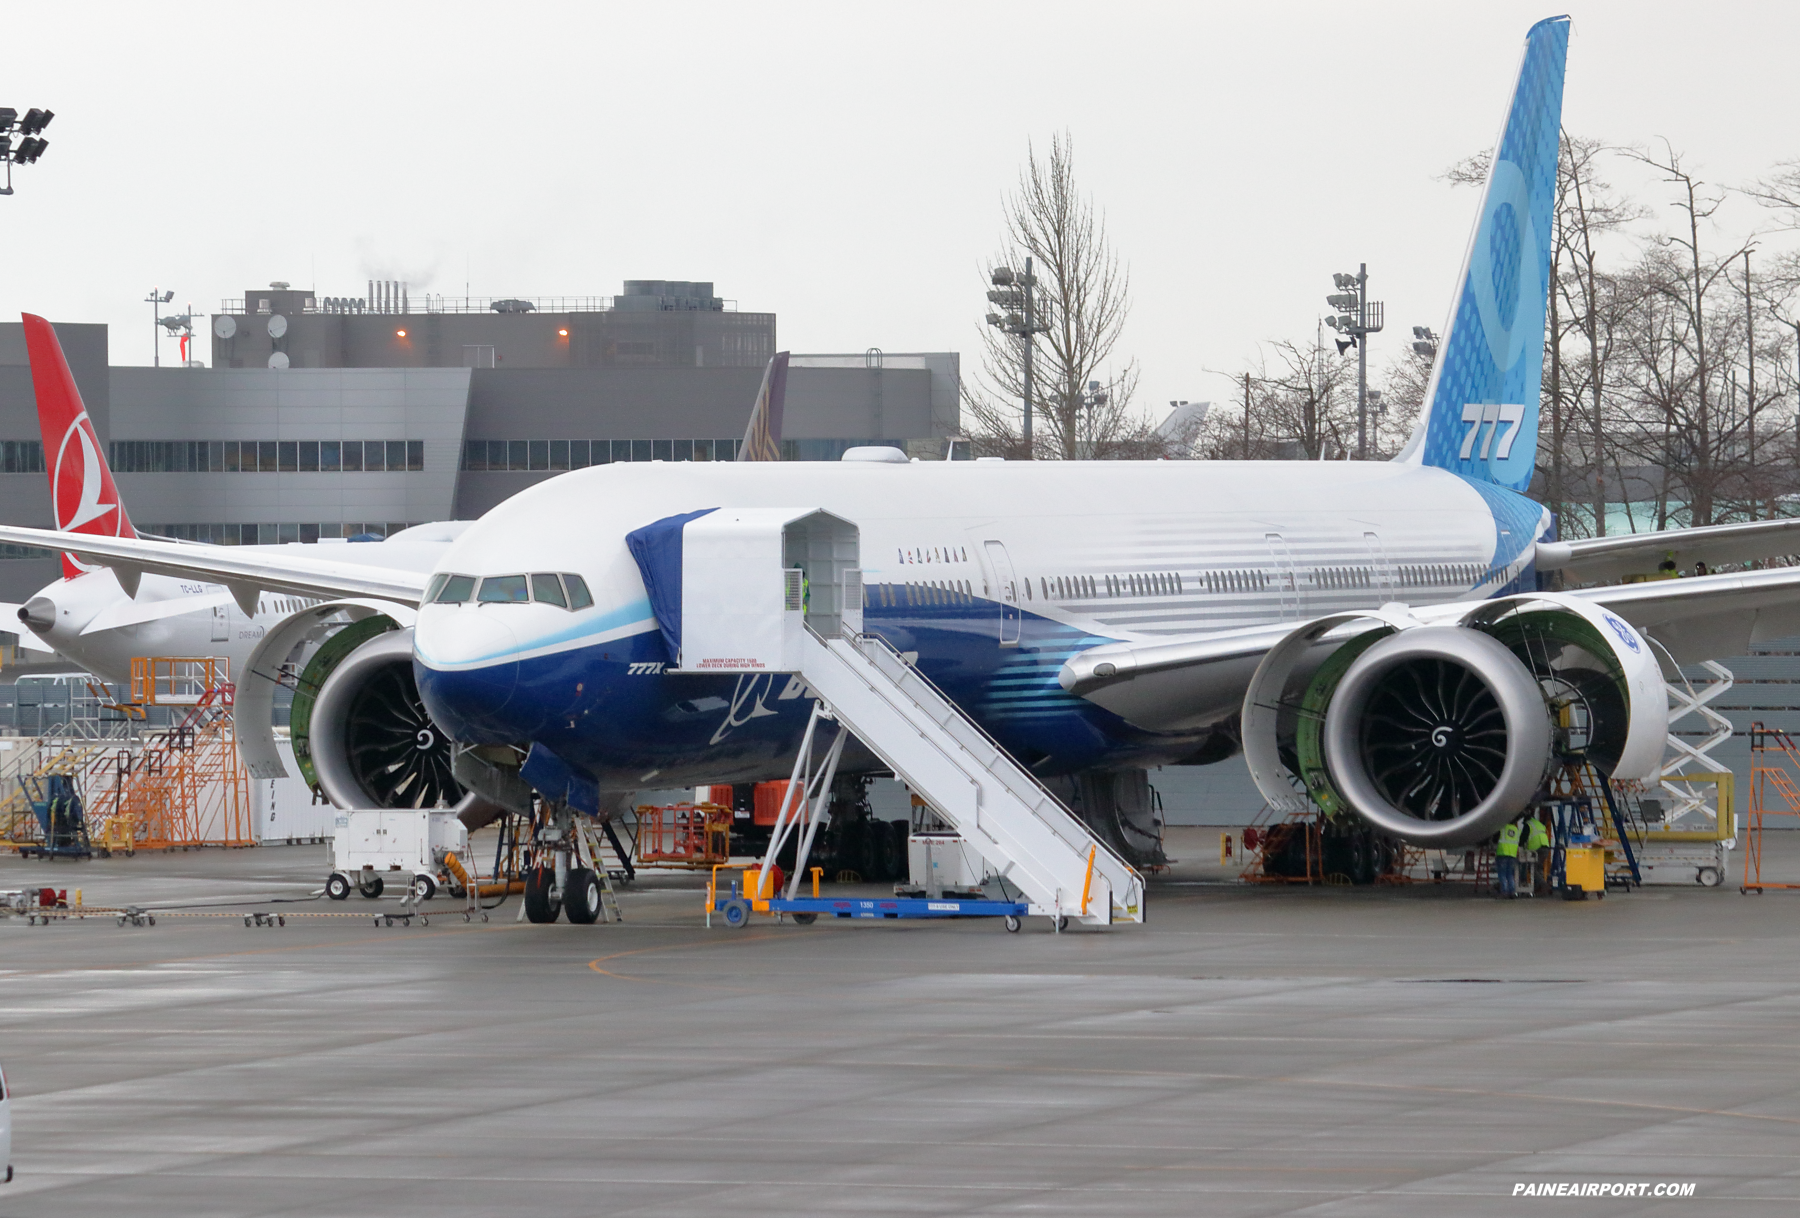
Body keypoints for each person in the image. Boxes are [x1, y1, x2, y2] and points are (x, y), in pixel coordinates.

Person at [1524, 814, 1552, 896]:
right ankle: (1540, 888)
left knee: (1533, 869)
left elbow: (1523, 838)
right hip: (1545, 847)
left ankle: (1544, 886)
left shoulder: (1528, 825)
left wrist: (1521, 847)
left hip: (1538, 849)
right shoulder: (1538, 824)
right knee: (1539, 868)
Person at [1495, 819, 1522, 898]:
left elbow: (1495, 839)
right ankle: (1512, 892)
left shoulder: (1502, 828)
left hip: (1502, 853)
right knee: (1510, 874)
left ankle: (1504, 891)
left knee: (1502, 874)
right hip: (1512, 854)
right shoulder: (1516, 830)